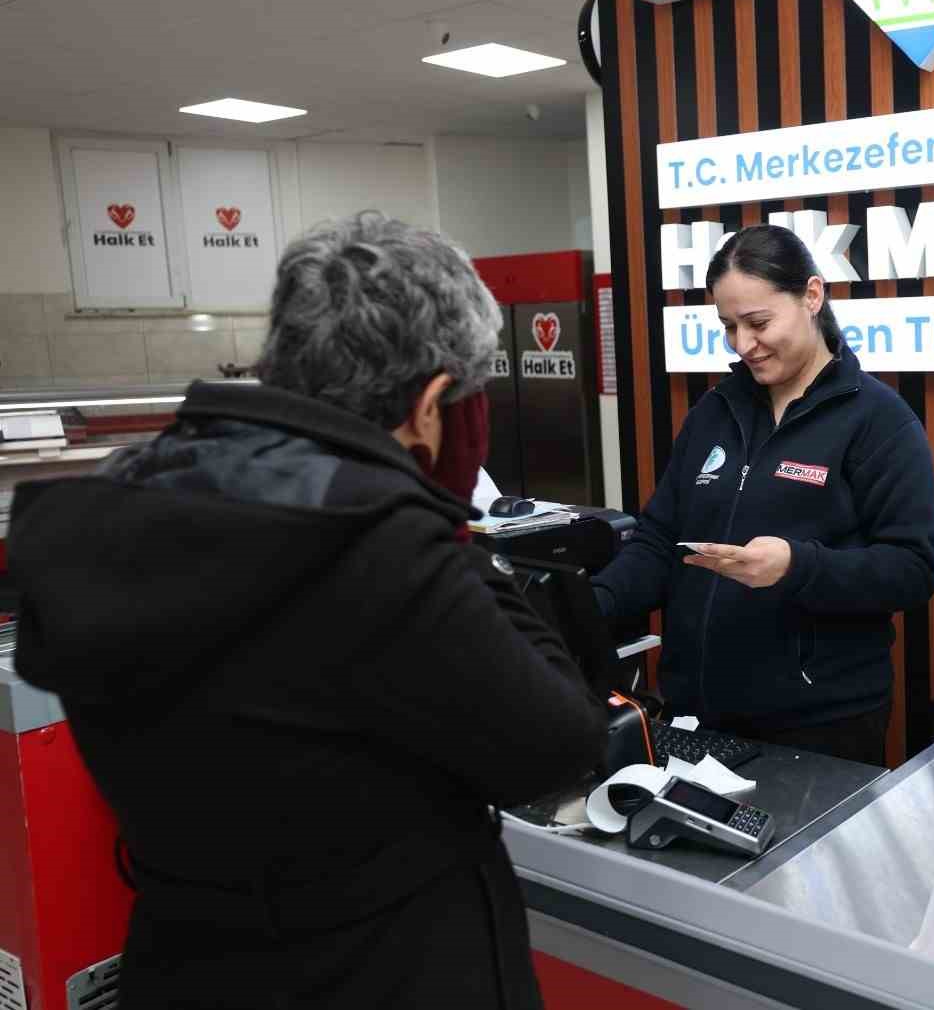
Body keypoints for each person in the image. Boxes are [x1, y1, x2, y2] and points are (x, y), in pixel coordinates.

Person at [7, 212, 606, 1010]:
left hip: (183, 963)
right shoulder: (382, 545)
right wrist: (449, 525)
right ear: (432, 405)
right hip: (383, 972)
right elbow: (558, 744)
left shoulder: (127, 501)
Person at [593, 224, 934, 765]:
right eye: (728, 326)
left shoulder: (878, 421)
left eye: (758, 323)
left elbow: (912, 569)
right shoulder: (714, 412)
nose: (742, 344)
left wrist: (796, 566)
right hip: (698, 714)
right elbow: (662, 542)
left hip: (819, 724)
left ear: (812, 296)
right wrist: (590, 605)